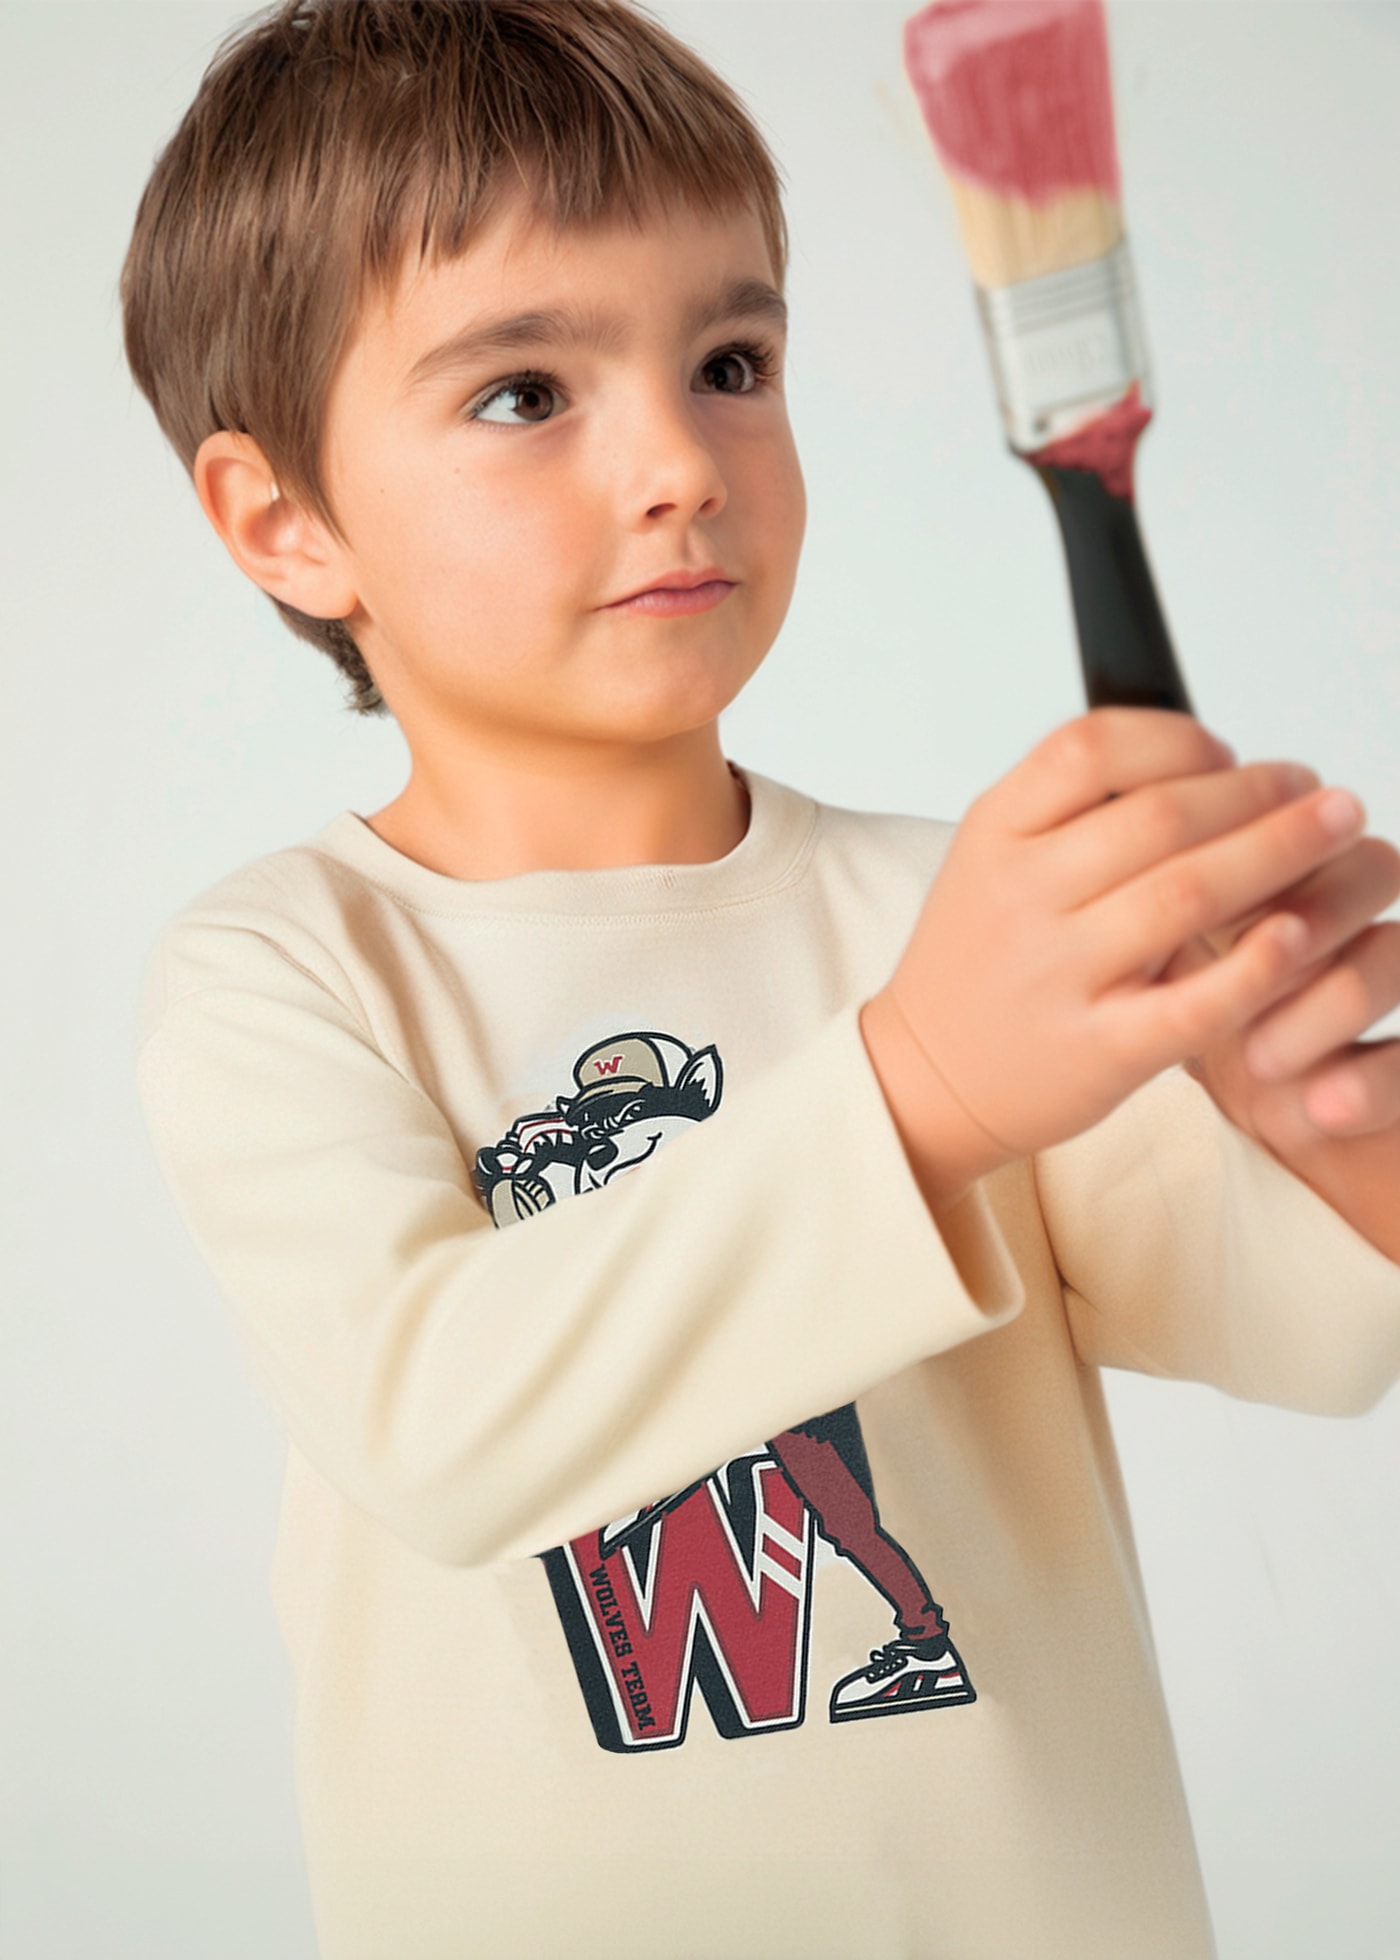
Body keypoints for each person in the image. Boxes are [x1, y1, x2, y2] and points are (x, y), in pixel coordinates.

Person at [124, 3, 1400, 1954]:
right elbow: (447, 1424)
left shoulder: (949, 913)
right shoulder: (283, 969)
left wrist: (1324, 1121)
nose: (676, 463)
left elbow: (1308, 1336)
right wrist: (925, 1083)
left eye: (729, 361)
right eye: (522, 392)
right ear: (283, 520)